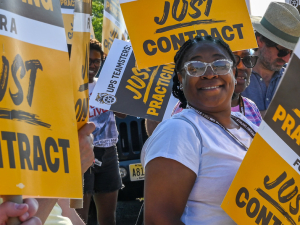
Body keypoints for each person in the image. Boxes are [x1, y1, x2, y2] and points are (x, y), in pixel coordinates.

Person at [142, 35, 258, 225]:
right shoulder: (178, 131)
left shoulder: (246, 125)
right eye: (195, 67)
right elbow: (159, 221)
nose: (210, 74)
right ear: (181, 78)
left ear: (233, 72)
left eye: (220, 65)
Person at [76, 39, 125, 225]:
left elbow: (122, 113)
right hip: (82, 153)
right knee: (80, 218)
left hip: (108, 153)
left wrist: (116, 88)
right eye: (88, 60)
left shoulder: (105, 84)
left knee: (108, 218)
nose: (93, 65)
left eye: (97, 61)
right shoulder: (71, 87)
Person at [242, 2, 300, 117]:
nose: (287, 59)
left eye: (291, 53)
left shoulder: (294, 80)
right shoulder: (236, 77)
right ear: (260, 41)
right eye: (282, 51)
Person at [231, 50, 262, 126]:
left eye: (247, 59)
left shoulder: (251, 107)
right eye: (233, 59)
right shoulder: (200, 114)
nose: (242, 66)